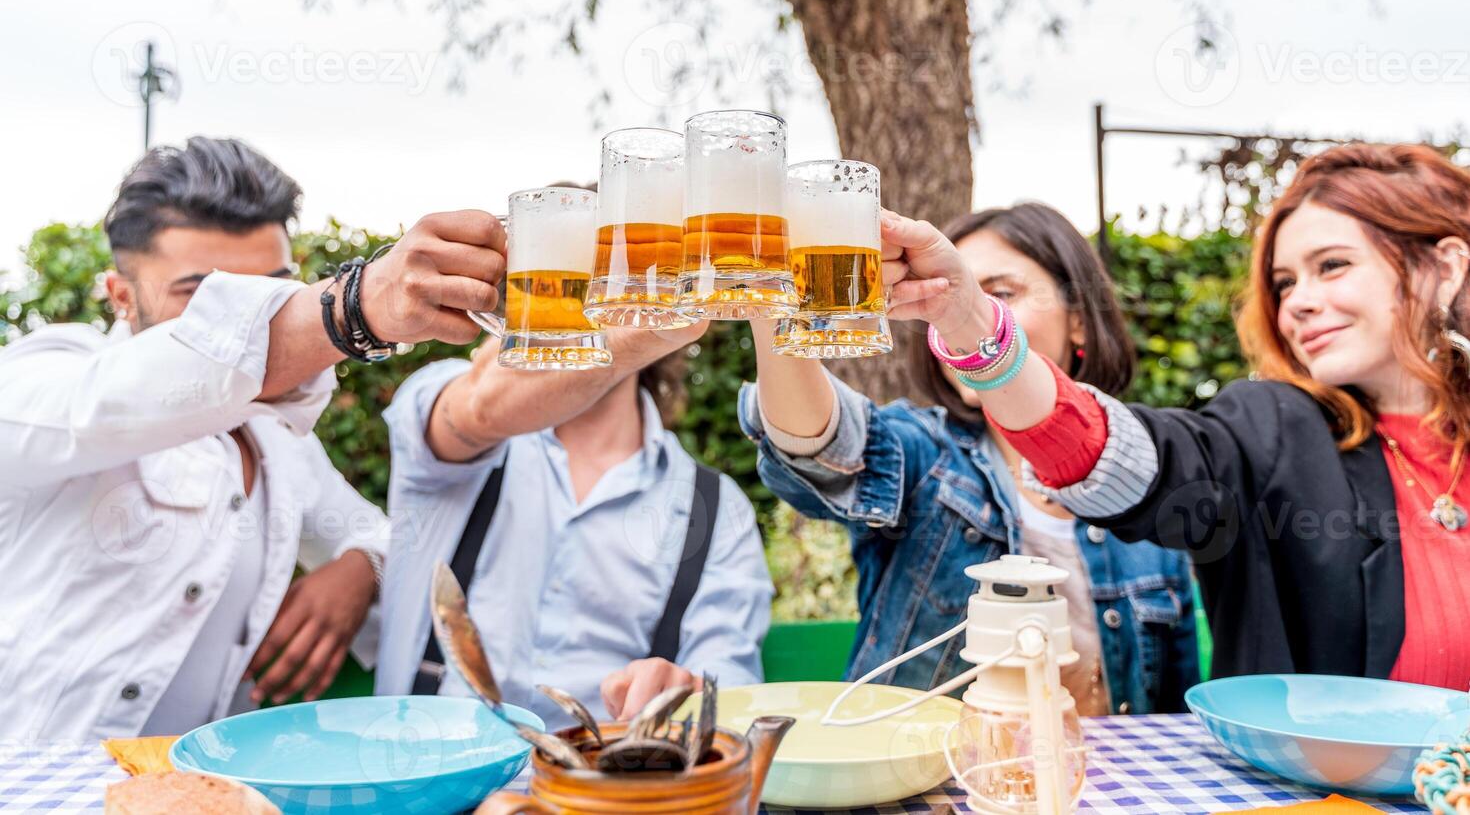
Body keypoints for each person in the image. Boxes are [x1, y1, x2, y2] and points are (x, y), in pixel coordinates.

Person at [877, 144, 1470, 689]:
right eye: (1284, 282)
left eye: (1333, 265)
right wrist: (970, 322)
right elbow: (1118, 455)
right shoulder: (1275, 430)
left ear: (1442, 270)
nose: (1299, 301)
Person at [0, 137, 508, 741]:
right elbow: (106, 402)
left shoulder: (276, 439)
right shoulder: (46, 377)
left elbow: (382, 537)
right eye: (204, 294)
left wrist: (357, 571)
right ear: (120, 296)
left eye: (274, 289)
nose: (242, 316)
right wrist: (354, 306)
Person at [741, 203, 1198, 715]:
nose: (965, 314)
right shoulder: (925, 456)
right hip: (929, 789)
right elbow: (822, 445)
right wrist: (771, 301)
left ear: (1080, 323)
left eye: (999, 294)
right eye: (951, 295)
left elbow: (1174, 719)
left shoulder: (1143, 487)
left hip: (1104, 788)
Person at [375, 320, 772, 730]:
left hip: (599, 787)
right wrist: (644, 324)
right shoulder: (457, 404)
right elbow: (482, 405)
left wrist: (684, 690)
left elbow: (730, 695)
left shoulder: (718, 507)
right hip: (426, 777)